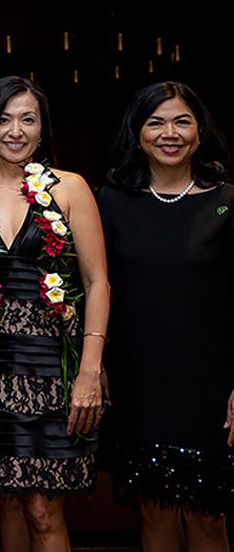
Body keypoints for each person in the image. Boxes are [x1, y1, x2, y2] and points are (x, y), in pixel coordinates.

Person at [0, 76, 108, 552]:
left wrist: (90, 371)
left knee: (44, 509)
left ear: (42, 129)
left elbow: (98, 281)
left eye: (28, 119)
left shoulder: (70, 189)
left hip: (57, 372)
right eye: (3, 119)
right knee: (9, 502)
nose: (15, 130)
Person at [99, 81, 234, 551]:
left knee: (207, 521)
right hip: (138, 381)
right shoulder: (112, 202)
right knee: (154, 519)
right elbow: (98, 289)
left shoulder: (227, 201)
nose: (169, 133)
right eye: (155, 122)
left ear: (200, 132)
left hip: (209, 388)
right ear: (138, 134)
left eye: (182, 121)